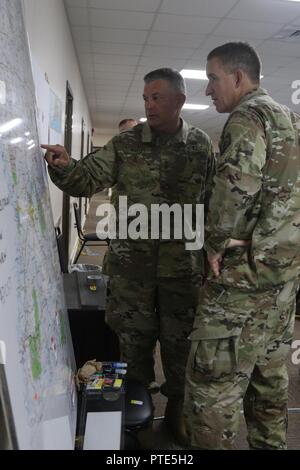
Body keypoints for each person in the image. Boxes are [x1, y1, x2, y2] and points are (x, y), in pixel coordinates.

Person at [41, 68, 215, 445]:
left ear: (179, 101)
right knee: (133, 346)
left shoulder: (201, 146)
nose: (149, 105)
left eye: (157, 97)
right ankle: (134, 419)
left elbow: (213, 204)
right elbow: (88, 178)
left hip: (181, 271)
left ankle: (176, 416)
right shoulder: (126, 143)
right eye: (145, 98)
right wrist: (65, 166)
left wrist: (212, 255)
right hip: (131, 270)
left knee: (180, 346)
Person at [184, 42, 300, 450]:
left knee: (211, 395)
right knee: (269, 390)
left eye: (212, 78)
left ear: (237, 77)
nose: (208, 89)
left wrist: (215, 243)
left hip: (240, 284)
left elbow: (236, 188)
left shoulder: (247, 117)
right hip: (282, 285)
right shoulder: (293, 120)